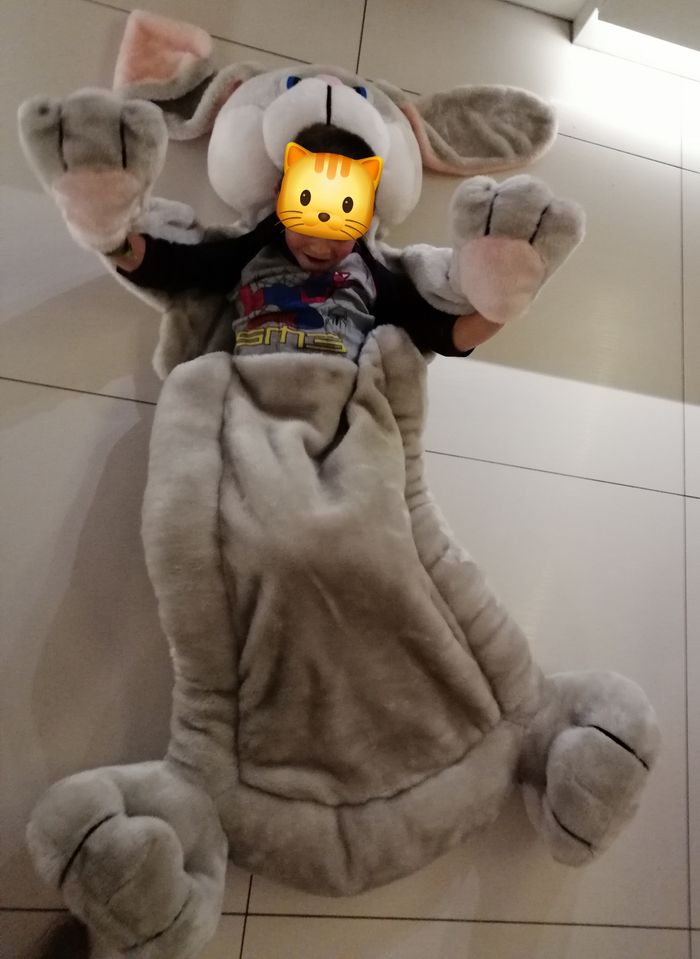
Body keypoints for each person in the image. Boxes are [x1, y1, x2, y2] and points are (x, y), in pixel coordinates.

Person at [108, 123, 502, 362]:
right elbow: (175, 267)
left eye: (340, 233)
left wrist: (501, 308)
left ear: (365, 216)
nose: (320, 246)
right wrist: (110, 238)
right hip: (250, 399)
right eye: (307, 224)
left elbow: (440, 333)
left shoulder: (370, 274)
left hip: (331, 408)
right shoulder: (251, 251)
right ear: (282, 197)